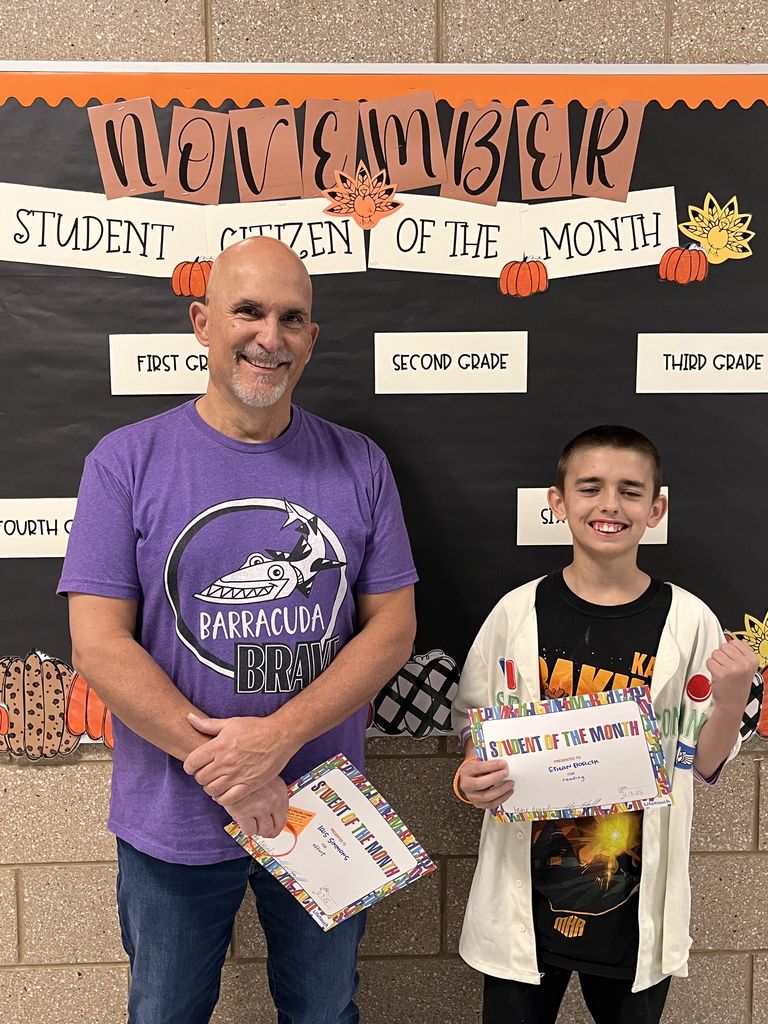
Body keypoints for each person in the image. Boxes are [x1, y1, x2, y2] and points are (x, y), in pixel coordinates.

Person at [57, 236, 418, 1024]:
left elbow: (391, 630)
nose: (270, 336)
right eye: (248, 311)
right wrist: (229, 765)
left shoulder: (359, 464)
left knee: (325, 1011)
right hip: (173, 815)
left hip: (323, 804)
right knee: (165, 1012)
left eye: (293, 318)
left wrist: (276, 740)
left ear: (311, 339)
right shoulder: (126, 461)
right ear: (202, 322)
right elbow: (97, 643)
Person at [451, 425, 758, 1024]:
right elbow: (474, 729)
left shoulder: (689, 620)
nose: (610, 505)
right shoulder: (517, 613)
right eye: (589, 488)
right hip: (529, 894)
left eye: (630, 490)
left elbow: (706, 759)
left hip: (632, 904)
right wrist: (469, 777)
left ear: (656, 507)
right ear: (558, 502)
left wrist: (730, 702)